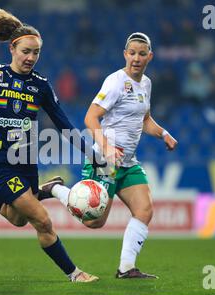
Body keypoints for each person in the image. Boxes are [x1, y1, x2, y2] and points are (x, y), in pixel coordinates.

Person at [0, 7, 104, 283]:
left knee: (16, 219)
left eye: (36, 52)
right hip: (0, 165)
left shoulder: (40, 85)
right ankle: (75, 274)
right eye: (26, 51)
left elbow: (63, 124)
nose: (31, 58)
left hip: (27, 162)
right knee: (42, 220)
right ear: (12, 48)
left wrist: (92, 153)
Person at [38, 32, 178, 279]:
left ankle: (126, 268)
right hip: (105, 161)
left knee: (144, 210)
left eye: (141, 53)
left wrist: (163, 133)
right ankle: (54, 190)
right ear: (125, 54)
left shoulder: (146, 84)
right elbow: (90, 117)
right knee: (94, 222)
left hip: (127, 162)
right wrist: (106, 148)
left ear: (150, 57)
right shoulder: (115, 81)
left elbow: (143, 119)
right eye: (132, 53)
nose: (136, 58)